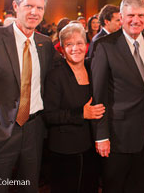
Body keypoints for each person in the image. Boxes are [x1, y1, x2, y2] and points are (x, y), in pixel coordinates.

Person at [0, 0, 57, 192]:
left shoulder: (45, 44)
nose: (34, 12)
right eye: (28, 6)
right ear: (15, 6)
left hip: (34, 131)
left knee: (28, 188)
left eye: (39, 8)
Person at [91, 0, 144, 193]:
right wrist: (101, 135)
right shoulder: (105, 45)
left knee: (142, 187)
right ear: (121, 16)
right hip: (117, 137)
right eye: (130, 15)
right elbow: (99, 93)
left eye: (140, 15)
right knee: (115, 187)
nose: (136, 20)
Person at [43, 22, 105, 193]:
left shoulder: (92, 67)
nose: (75, 48)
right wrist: (81, 114)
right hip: (65, 150)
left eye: (79, 43)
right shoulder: (55, 75)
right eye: (69, 45)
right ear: (61, 49)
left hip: (91, 147)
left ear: (86, 45)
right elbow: (49, 115)